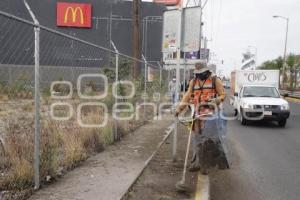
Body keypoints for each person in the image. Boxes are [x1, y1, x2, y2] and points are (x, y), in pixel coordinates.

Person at [175, 62, 228, 175]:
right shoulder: (193, 82)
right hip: (197, 114)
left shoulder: (215, 80)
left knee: (208, 140)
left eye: (202, 73)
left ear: (207, 71)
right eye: (197, 73)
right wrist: (179, 109)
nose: (199, 75)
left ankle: (205, 165)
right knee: (197, 138)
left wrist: (216, 100)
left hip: (211, 115)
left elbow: (223, 95)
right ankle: (198, 161)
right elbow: (187, 96)